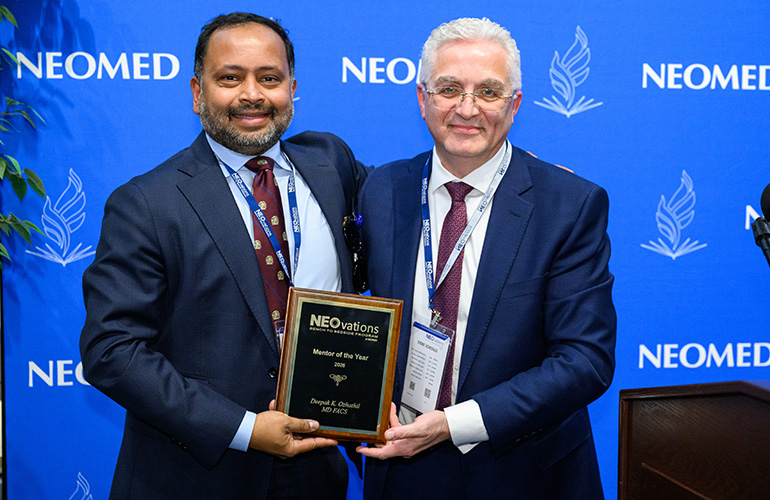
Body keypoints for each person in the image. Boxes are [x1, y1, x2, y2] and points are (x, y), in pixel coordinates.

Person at [80, 12, 368, 500]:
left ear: (293, 89)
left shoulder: (331, 163)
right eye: (230, 78)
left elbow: (412, 207)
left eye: (269, 78)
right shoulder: (146, 203)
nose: (252, 94)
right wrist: (246, 429)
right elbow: (111, 351)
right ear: (197, 93)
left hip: (315, 471)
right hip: (194, 476)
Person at [357, 17, 616, 499]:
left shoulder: (569, 203)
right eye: (449, 88)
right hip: (401, 467)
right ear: (422, 98)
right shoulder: (383, 189)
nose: (467, 108)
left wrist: (454, 424)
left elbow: (586, 360)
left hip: (523, 470)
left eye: (489, 92)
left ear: (514, 105)